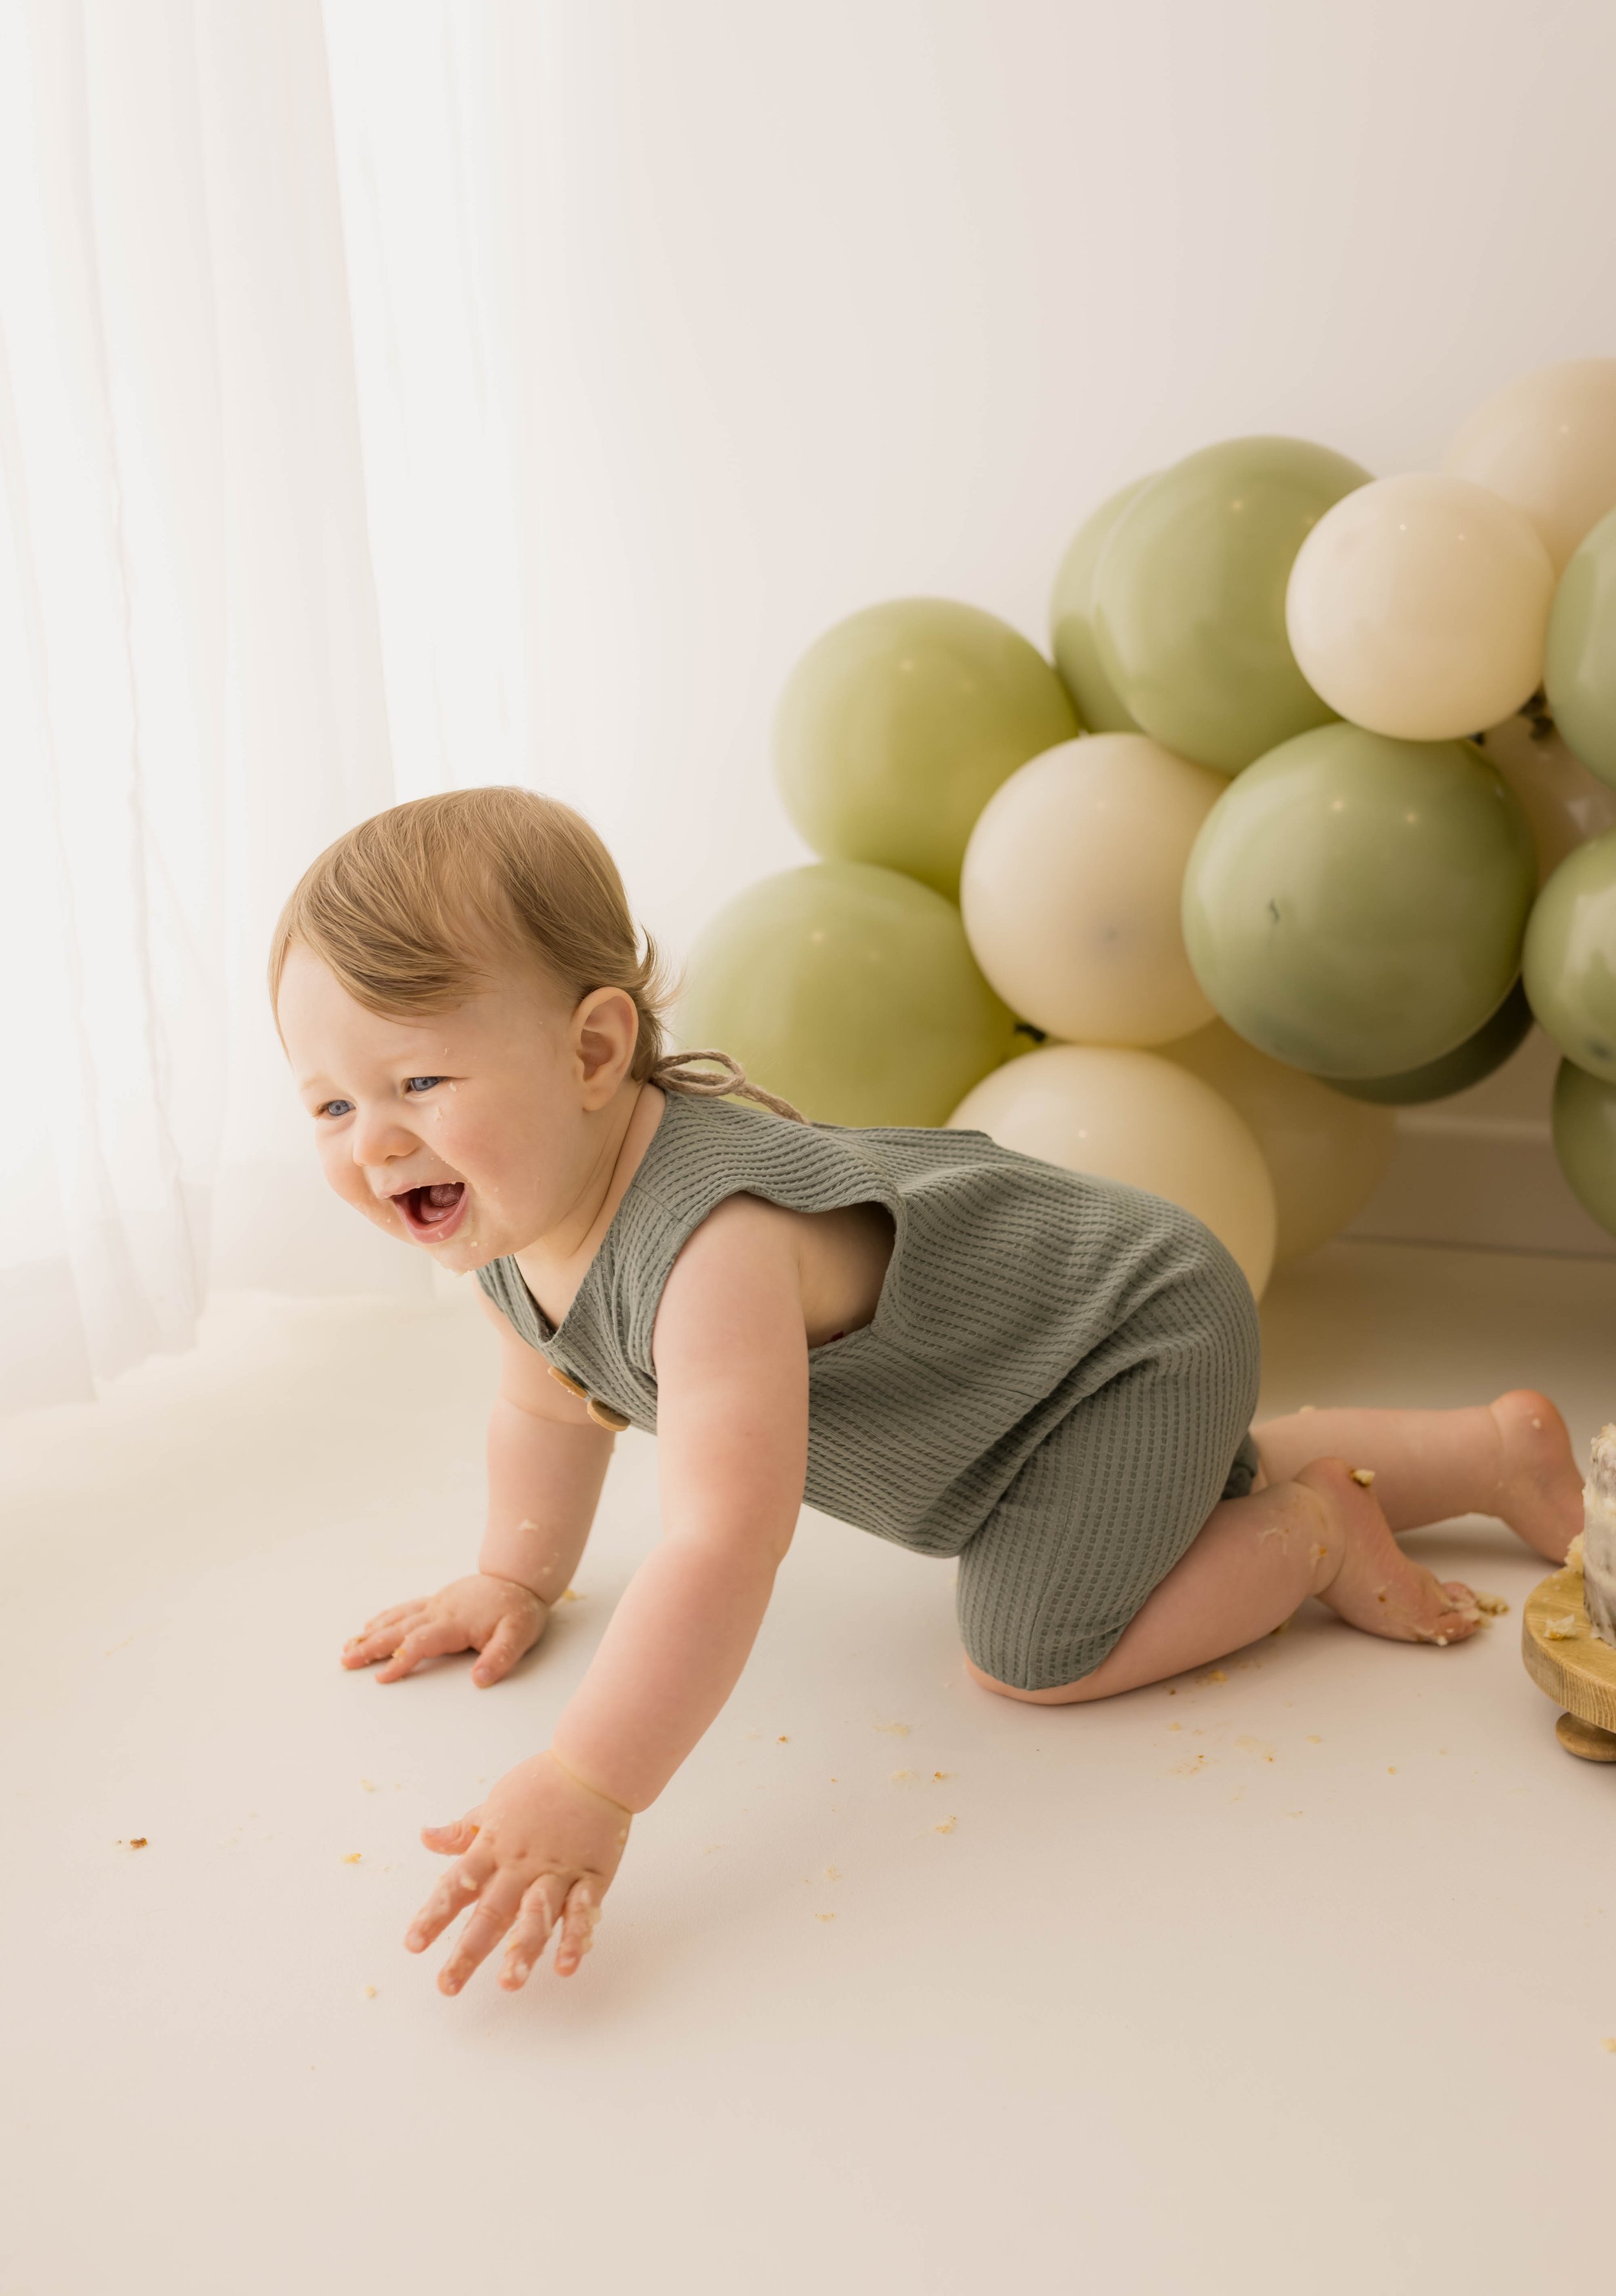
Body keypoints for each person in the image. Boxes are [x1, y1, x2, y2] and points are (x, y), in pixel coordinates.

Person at [268, 786, 1584, 1999]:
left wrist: (588, 1781)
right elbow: (549, 1410)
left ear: (595, 1050)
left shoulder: (708, 1247)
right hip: (1057, 1383)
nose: (373, 1142)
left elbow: (724, 1540)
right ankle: (1481, 1455)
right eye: (328, 1106)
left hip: (1123, 1339)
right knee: (1159, 1488)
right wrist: (513, 1575)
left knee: (1032, 1650)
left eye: (419, 1084)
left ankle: (1306, 1536)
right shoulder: (515, 1227)